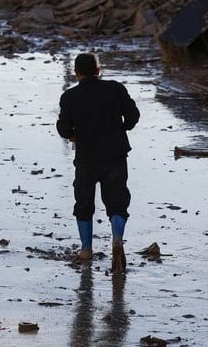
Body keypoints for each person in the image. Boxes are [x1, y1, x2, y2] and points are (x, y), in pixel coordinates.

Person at [56, 52, 140, 272]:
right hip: (115, 155)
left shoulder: (70, 97)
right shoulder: (115, 89)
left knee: (84, 203)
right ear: (98, 71)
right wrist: (121, 128)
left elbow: (63, 129)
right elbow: (133, 116)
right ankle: (117, 240)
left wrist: (74, 135)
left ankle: (86, 249)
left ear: (76, 74)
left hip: (86, 159)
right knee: (118, 203)